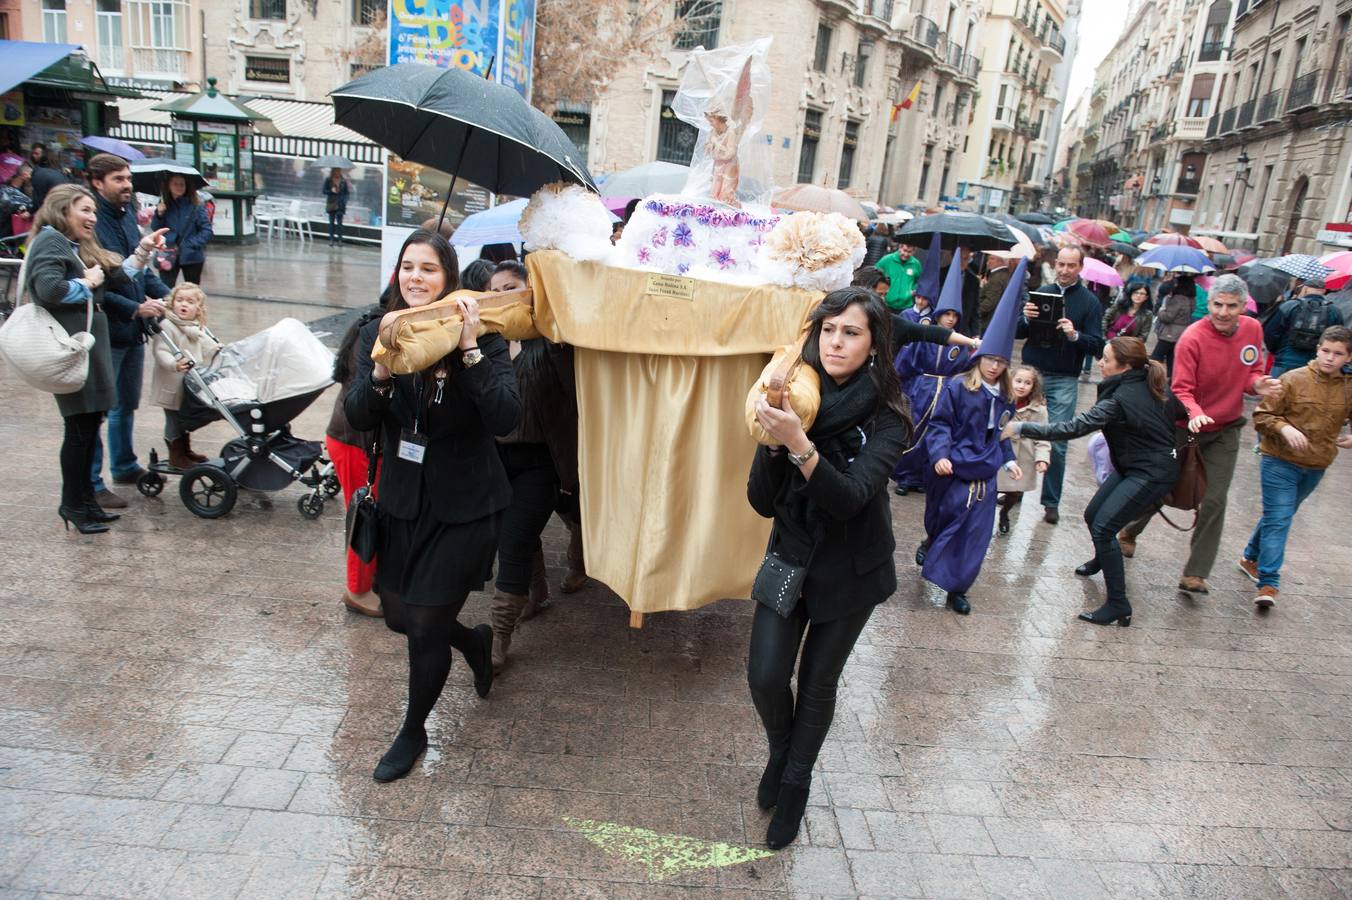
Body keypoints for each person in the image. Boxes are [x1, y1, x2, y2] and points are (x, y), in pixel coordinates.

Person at [344, 230, 520, 783]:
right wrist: (379, 371)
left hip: (464, 505)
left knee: (423, 625)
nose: (416, 277)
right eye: (408, 267)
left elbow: (505, 417)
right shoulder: (380, 332)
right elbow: (357, 415)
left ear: (448, 278)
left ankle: (413, 730)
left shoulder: (483, 337)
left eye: (429, 268)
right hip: (402, 498)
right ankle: (472, 640)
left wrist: (468, 349)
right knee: (399, 615)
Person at [746, 286, 911, 849]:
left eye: (852, 332)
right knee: (766, 676)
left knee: (817, 684)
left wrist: (798, 445)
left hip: (852, 568)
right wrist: (772, 445)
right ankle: (780, 753)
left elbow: (852, 496)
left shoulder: (889, 414)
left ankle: (794, 783)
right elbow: (761, 501)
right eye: (828, 329)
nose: (836, 342)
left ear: (874, 344)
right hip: (791, 557)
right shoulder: (795, 392)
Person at [1118, 273, 1282, 593]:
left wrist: (1258, 385)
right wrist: (1195, 413)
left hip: (1225, 428)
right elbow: (1181, 388)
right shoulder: (1193, 337)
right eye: (1217, 305)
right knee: (1163, 486)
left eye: (1231, 306)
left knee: (1214, 500)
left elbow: (1252, 374)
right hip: (1185, 426)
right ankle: (1128, 531)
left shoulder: (1253, 329)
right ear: (1209, 304)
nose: (1223, 312)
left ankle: (1196, 572)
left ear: (1242, 307)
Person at [1007, 336, 1180, 626]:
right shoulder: (1148, 381)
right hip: (1134, 464)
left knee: (1103, 527)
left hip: (1152, 472)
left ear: (1125, 367)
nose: (1099, 363)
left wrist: (1022, 426)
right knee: (1092, 515)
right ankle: (1104, 558)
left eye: (1106, 359)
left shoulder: (1121, 398)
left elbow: (1074, 428)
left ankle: (1118, 603)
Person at [25, 183, 165, 533]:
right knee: (78, 430)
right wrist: (85, 283)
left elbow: (117, 278)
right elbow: (49, 289)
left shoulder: (74, 244)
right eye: (84, 210)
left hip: (88, 346)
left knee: (88, 428)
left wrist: (143, 250)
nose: (92, 217)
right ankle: (72, 504)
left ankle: (85, 501)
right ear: (62, 210)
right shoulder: (51, 240)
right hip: (72, 347)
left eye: (92, 211)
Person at [916, 259, 1027, 615]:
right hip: (953, 467)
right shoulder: (959, 388)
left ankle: (958, 588)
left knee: (976, 534)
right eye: (989, 359)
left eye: (1000, 361)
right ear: (978, 359)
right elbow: (940, 425)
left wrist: (1009, 459)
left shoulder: (1007, 396)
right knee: (944, 519)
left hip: (984, 473)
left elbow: (1003, 432)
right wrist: (940, 454)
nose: (994, 366)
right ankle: (931, 541)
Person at [486, 261, 581, 670]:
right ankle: (537, 593)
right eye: (493, 291)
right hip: (493, 461)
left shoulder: (553, 340)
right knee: (517, 537)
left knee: (513, 541)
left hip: (540, 462)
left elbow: (574, 391)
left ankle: (498, 634)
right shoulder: (485, 342)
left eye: (510, 288)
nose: (500, 297)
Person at [1239, 326, 1352, 608]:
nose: (1329, 358)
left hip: (1316, 464)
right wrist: (1285, 428)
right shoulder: (1292, 379)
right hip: (1279, 460)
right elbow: (1262, 415)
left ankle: (1250, 556)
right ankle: (1268, 582)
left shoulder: (1348, 388)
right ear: (1317, 349)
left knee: (1281, 515)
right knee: (1280, 518)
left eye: (1337, 354)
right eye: (1325, 351)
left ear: (1348, 357)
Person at [84, 153, 173, 509]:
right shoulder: (97, 225)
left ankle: (123, 465)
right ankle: (92, 481)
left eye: (128, 179)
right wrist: (135, 307)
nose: (127, 185)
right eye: (118, 179)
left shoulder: (125, 219)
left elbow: (141, 270)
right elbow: (105, 284)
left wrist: (172, 294)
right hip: (111, 327)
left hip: (134, 329)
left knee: (126, 404)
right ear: (97, 182)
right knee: (100, 409)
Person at [1015, 245, 1106, 524]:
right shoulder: (1042, 291)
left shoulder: (1089, 302)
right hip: (1033, 372)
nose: (1065, 270)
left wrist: (1075, 334)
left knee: (1058, 440)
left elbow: (1098, 345)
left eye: (1071, 265)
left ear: (1080, 268)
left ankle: (1050, 502)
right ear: (1055, 264)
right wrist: (1025, 319)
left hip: (1064, 377)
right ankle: (1014, 489)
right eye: (1062, 265)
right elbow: (1017, 331)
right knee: (1019, 433)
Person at [891, 251, 977, 495]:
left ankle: (924, 475)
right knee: (915, 429)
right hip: (922, 388)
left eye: (954, 315)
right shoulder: (925, 333)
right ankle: (905, 475)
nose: (950, 320)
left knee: (937, 433)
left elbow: (967, 367)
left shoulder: (960, 342)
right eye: (946, 314)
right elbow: (907, 362)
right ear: (938, 314)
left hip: (947, 392)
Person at [327, 292, 389, 619]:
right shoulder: (377, 333)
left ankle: (369, 580)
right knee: (362, 514)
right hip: (354, 442)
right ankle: (357, 590)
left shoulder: (371, 324)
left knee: (369, 510)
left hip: (359, 441)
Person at [148, 282, 221, 469]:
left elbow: (206, 345)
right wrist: (174, 364)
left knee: (183, 418)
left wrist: (218, 351)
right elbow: (161, 351)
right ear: (172, 303)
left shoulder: (195, 326)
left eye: (190, 301)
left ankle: (184, 450)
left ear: (198, 308)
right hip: (171, 383)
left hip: (188, 383)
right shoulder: (167, 325)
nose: (184, 305)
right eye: (179, 300)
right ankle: (176, 455)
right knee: (174, 419)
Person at [996, 364, 1050, 535]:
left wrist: (1042, 458)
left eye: (1027, 383)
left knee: (1014, 492)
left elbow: (1043, 436)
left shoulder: (1039, 410)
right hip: (1000, 454)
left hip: (1024, 458)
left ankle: (1004, 513)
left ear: (1033, 387)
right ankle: (985, 517)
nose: (1021, 386)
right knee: (991, 489)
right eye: (1018, 381)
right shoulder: (1000, 401)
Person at [1263, 277, 1344, 377]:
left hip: (1284, 362)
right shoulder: (1334, 311)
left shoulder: (1289, 306)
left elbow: (1270, 332)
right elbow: (1339, 339)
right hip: (1314, 367)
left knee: (1276, 391)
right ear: (1324, 291)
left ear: (1305, 289)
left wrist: (1277, 351)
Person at [150, 174, 213, 285]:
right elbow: (156, 229)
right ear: (168, 186)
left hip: (191, 256)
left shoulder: (196, 206)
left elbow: (207, 231)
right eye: (175, 184)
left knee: (192, 291)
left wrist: (190, 244)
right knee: (165, 291)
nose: (179, 187)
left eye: (182, 184)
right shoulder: (164, 205)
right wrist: (159, 214)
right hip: (167, 254)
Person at [1151, 275, 1194, 376]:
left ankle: (1151, 378)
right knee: (1171, 359)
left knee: (1155, 358)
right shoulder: (1191, 299)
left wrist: (1161, 311)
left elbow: (1168, 317)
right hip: (1181, 332)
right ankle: (1170, 381)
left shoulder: (1178, 299)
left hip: (1170, 333)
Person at [875, 241, 923, 311]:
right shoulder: (887, 260)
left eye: (909, 252)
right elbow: (874, 275)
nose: (906, 254)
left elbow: (919, 281)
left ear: (914, 252)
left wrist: (913, 290)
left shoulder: (916, 264)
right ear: (899, 248)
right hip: (886, 304)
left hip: (906, 306)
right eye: (904, 250)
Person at [977, 256, 1012, 334]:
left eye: (992, 258)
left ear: (1001, 261)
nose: (988, 261)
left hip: (987, 322)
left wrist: (975, 314)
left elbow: (989, 303)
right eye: (988, 258)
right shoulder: (1003, 274)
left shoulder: (997, 277)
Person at [322, 168, 350, 246]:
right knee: (331, 222)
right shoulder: (328, 180)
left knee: (340, 223)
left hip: (341, 204)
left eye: (339, 171)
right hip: (332, 203)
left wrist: (345, 201)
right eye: (336, 171)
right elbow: (324, 191)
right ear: (333, 172)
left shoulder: (343, 181)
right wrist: (331, 191)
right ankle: (331, 239)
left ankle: (340, 240)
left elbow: (346, 193)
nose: (338, 173)